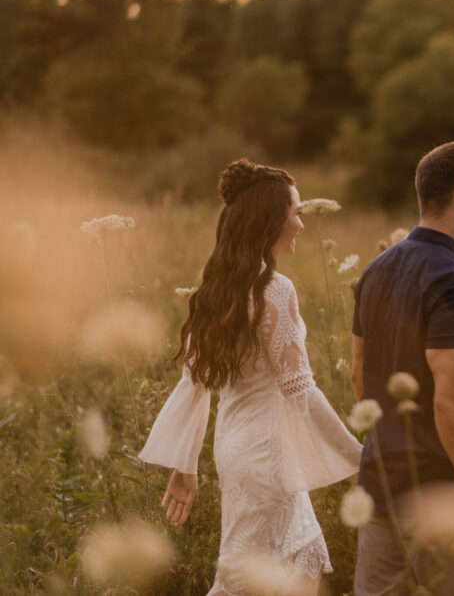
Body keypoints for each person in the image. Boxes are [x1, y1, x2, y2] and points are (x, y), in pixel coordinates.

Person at [138, 159, 362, 595]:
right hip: (268, 461)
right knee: (254, 581)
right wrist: (359, 457)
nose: (300, 223)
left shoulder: (218, 288)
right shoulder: (275, 290)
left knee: (299, 567)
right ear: (269, 219)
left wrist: (186, 466)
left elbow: (193, 383)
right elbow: (302, 389)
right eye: (295, 212)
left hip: (242, 454)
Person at [351, 140, 454, 595]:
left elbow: (359, 376)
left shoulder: (375, 271)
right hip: (441, 500)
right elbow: (452, 400)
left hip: (378, 490)